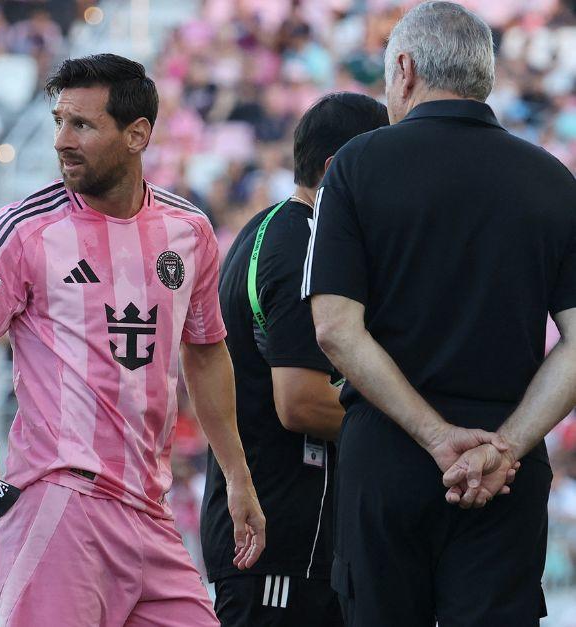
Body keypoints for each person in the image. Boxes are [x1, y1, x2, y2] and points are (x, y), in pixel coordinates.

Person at [0, 54, 265, 627]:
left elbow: (207, 350)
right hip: (59, 497)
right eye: (59, 121)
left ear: (138, 134)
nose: (62, 140)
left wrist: (238, 478)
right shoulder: (24, 228)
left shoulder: (189, 230)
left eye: (83, 125)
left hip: (150, 506)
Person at [302, 2, 576, 625]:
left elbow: (334, 328)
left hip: (391, 457)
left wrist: (434, 437)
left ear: (403, 69)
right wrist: (505, 448)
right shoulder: (553, 180)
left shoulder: (355, 165)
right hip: (504, 469)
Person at [202, 92, 388, 627]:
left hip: (277, 533)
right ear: (337, 170)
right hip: (282, 538)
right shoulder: (304, 243)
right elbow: (301, 402)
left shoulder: (267, 228)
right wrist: (418, 431)